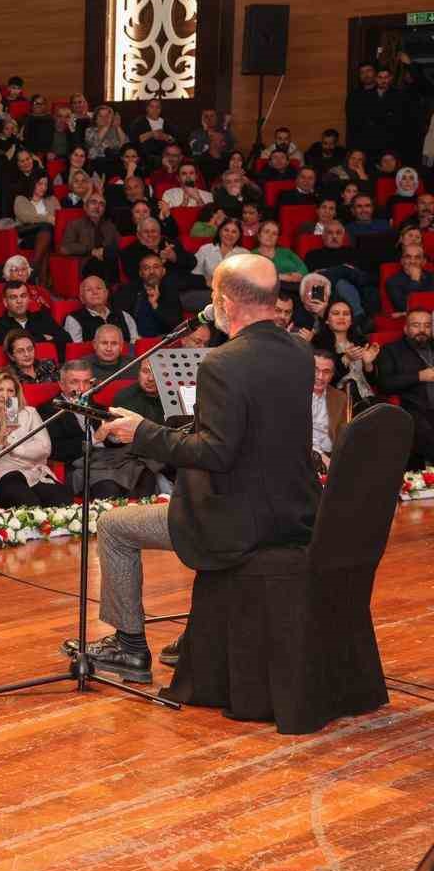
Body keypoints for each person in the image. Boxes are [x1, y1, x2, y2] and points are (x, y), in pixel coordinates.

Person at [71, 256, 320, 684]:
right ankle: (202, 633)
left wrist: (141, 433)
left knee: (114, 526)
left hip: (236, 519)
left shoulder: (222, 362)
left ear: (224, 300)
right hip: (292, 509)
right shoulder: (299, 352)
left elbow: (216, 454)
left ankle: (129, 647)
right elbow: (254, 429)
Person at [40, 360, 150, 499]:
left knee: (146, 471)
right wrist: (95, 438)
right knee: (109, 485)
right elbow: (55, 450)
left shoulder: (99, 408)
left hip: (112, 461)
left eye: (86, 382)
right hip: (79, 466)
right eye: (74, 382)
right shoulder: (48, 410)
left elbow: (114, 442)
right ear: (62, 385)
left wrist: (114, 436)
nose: (82, 388)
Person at [0, 367, 70, 507]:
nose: (5, 396)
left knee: (63, 503)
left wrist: (15, 449)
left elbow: (45, 448)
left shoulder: (29, 413)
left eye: (10, 391)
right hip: (3, 478)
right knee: (30, 506)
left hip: (35, 474)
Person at [372, 308, 434, 468]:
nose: (422, 330)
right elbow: (384, 384)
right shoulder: (391, 350)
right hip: (414, 408)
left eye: (427, 326)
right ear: (406, 328)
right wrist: (419, 376)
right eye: (416, 325)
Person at [310, 350, 351, 472]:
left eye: (326, 372)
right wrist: (319, 456)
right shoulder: (294, 393)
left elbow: (344, 435)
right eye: (316, 370)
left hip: (331, 456)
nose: (320, 377)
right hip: (303, 453)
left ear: (332, 375)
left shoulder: (340, 398)